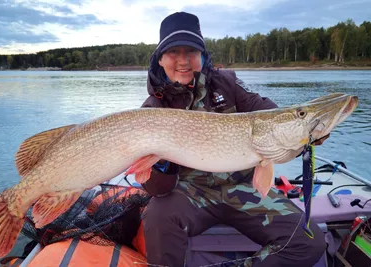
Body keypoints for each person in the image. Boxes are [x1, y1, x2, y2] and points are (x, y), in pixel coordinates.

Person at [139, 11, 327, 267]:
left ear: (202, 55)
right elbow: (157, 189)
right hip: (191, 193)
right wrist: (161, 164)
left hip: (244, 187)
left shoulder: (227, 83)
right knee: (157, 217)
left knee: (309, 241)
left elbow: (267, 113)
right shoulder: (152, 109)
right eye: (174, 52)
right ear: (160, 59)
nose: (183, 61)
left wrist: (303, 131)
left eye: (191, 51)